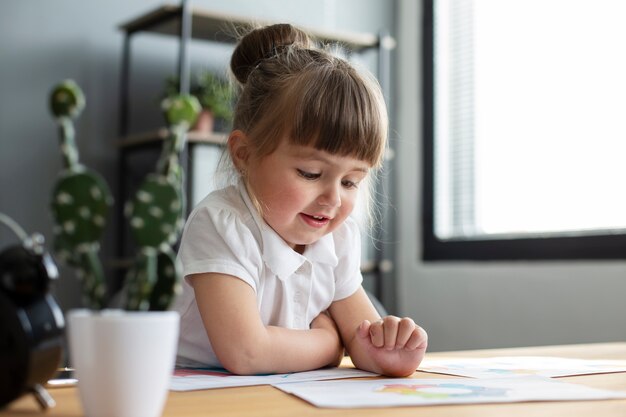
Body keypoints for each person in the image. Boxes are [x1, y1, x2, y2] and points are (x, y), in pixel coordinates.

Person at [173, 23, 427, 377]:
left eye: (352, 181)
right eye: (310, 173)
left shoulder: (337, 238)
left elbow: (365, 343)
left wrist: (390, 353)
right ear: (244, 154)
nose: (332, 199)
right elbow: (247, 353)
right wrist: (329, 342)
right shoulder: (222, 223)